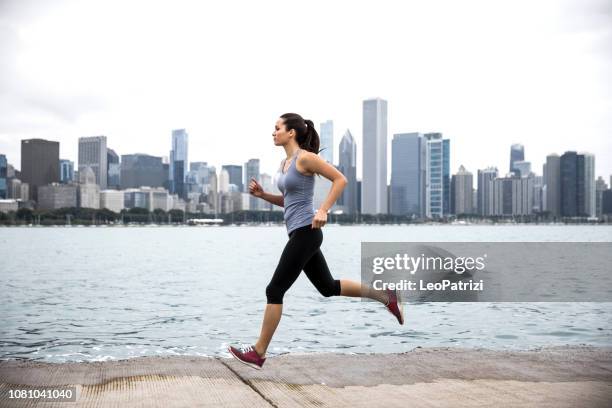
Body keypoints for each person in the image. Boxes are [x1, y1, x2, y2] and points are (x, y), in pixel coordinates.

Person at [228, 113, 403, 370]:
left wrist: (323, 210)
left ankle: (258, 352)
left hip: (307, 232)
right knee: (328, 287)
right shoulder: (284, 164)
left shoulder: (306, 158)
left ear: (291, 133)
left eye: (277, 128)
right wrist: (263, 195)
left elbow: (340, 179)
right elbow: (288, 200)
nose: (273, 132)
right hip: (299, 233)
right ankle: (385, 296)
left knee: (274, 290)